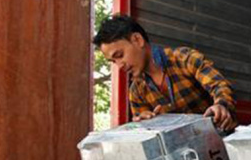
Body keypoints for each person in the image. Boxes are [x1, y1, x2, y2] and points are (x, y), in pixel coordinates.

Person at [93, 14, 237, 132]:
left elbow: (219, 85)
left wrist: (221, 106)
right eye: (113, 61)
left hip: (221, 143)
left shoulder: (184, 58)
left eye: (119, 55)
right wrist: (145, 125)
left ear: (138, 40)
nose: (119, 66)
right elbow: (149, 139)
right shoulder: (136, 92)